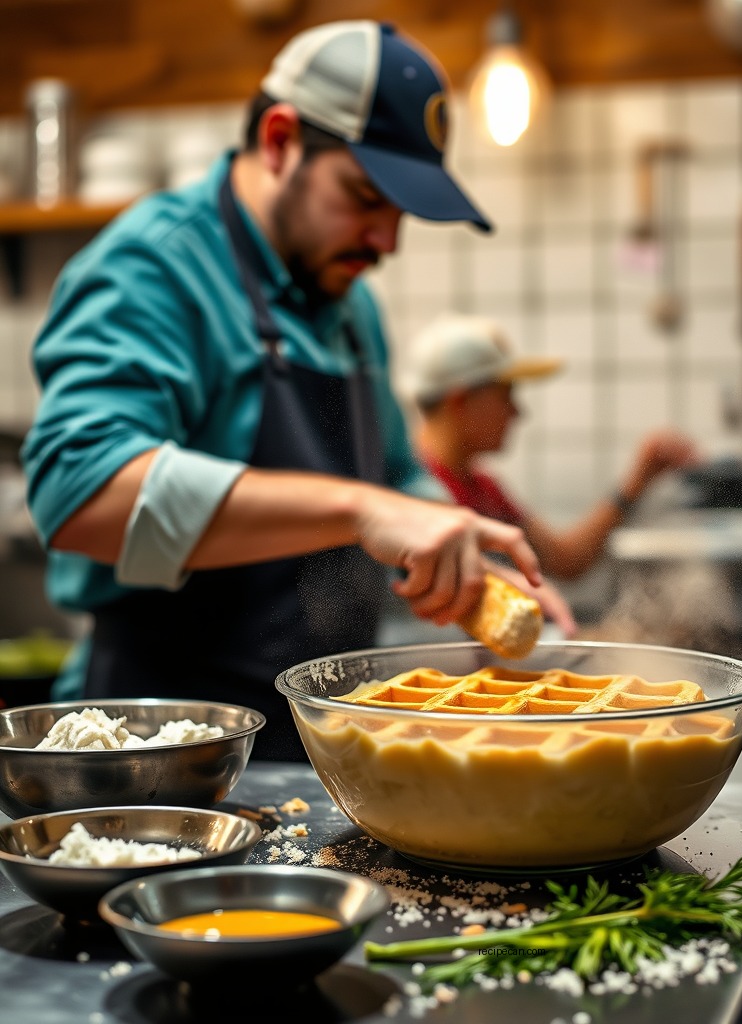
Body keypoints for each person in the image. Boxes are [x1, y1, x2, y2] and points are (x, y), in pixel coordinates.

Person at [19, 21, 563, 762]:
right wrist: (362, 509)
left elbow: (396, 476)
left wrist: (459, 556)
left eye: (399, 213)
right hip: (164, 753)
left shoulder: (349, 305)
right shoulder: (155, 267)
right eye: (365, 196)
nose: (387, 241)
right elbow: (78, 493)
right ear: (279, 141)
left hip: (324, 744)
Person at [405, 313, 701, 581]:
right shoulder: (408, 495)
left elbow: (565, 560)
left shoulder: (483, 487)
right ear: (460, 401)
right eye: (506, 395)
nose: (517, 413)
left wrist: (638, 479)